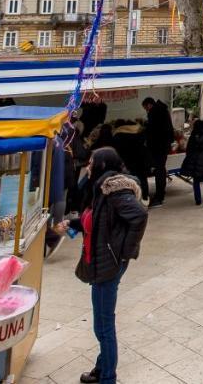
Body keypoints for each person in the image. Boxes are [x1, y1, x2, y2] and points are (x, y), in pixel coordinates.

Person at [65, 148, 148, 384]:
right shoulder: (99, 188)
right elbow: (97, 220)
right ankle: (102, 368)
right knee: (101, 321)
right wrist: (72, 223)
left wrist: (125, 251)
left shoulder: (114, 190)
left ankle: (108, 377)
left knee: (103, 326)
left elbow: (140, 216)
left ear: (102, 165)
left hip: (108, 263)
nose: (88, 166)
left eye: (92, 162)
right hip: (100, 259)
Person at [141, 97, 178, 207]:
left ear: (149, 105)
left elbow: (152, 131)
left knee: (159, 170)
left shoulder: (155, 113)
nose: (146, 111)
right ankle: (160, 194)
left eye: (145, 108)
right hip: (164, 146)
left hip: (158, 147)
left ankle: (159, 196)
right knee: (161, 169)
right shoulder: (163, 110)